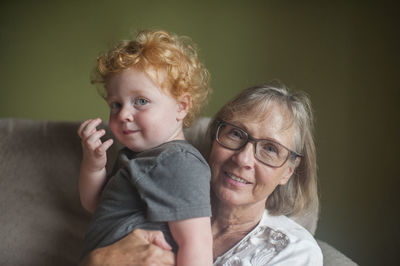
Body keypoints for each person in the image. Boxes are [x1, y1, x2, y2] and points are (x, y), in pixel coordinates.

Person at [82, 81, 323, 265]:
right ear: (214, 138)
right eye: (236, 134)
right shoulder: (158, 192)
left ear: (288, 172)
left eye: (270, 149)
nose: (243, 159)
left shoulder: (294, 251)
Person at [77, 29, 213, 266]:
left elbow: (197, 243)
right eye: (116, 104)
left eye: (141, 101)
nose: (124, 114)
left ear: (181, 106)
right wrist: (93, 165)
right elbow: (93, 204)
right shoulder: (132, 157)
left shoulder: (179, 161)